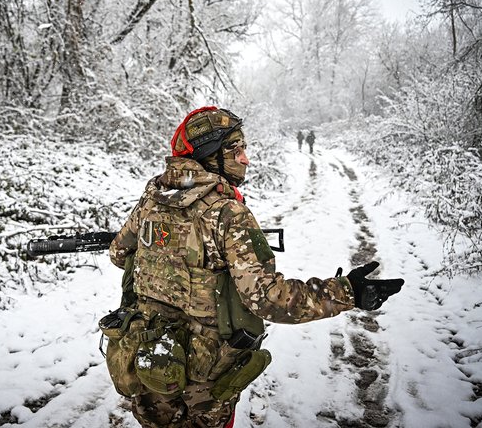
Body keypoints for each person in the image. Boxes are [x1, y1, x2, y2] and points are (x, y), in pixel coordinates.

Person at [105, 107, 404, 428]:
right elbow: (269, 300)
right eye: (236, 150)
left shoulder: (153, 199)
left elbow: (120, 253)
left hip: (150, 360)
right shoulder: (227, 213)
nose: (246, 159)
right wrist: (348, 292)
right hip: (204, 376)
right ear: (211, 155)